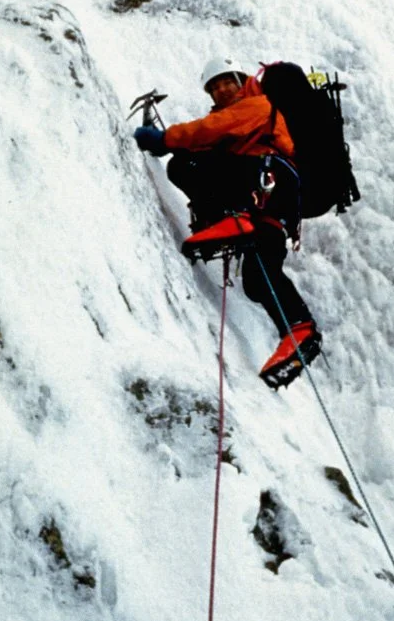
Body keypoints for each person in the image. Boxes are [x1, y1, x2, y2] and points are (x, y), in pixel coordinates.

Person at [134, 56, 320, 389]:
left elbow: (207, 131)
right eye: (214, 87)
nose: (221, 90)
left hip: (265, 179)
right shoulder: (237, 119)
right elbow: (208, 135)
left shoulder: (256, 105)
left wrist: (162, 141)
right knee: (257, 277)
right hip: (273, 201)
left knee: (183, 165)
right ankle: (298, 330)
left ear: (240, 80)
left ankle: (235, 219)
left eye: (225, 83)